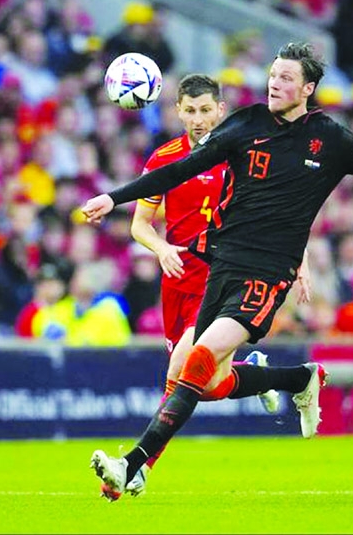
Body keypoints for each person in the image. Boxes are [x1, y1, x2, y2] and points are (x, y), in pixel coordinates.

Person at [82, 42, 353, 498]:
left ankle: (133, 465)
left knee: (199, 360)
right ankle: (300, 378)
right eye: (272, 74)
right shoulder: (245, 124)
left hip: (267, 274)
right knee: (202, 384)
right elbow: (180, 170)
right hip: (221, 267)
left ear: (307, 88)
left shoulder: (330, 139)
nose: (274, 82)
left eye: (286, 78)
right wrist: (115, 197)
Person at [113, 73, 318, 500]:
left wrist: (297, 262)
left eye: (206, 109)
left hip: (224, 276)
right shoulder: (165, 158)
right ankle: (289, 378)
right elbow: (139, 225)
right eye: (190, 110)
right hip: (176, 282)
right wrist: (161, 247)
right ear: (178, 112)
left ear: (221, 111)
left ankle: (138, 467)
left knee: (181, 374)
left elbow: (277, 214)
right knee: (205, 386)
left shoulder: (241, 151)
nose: (198, 119)